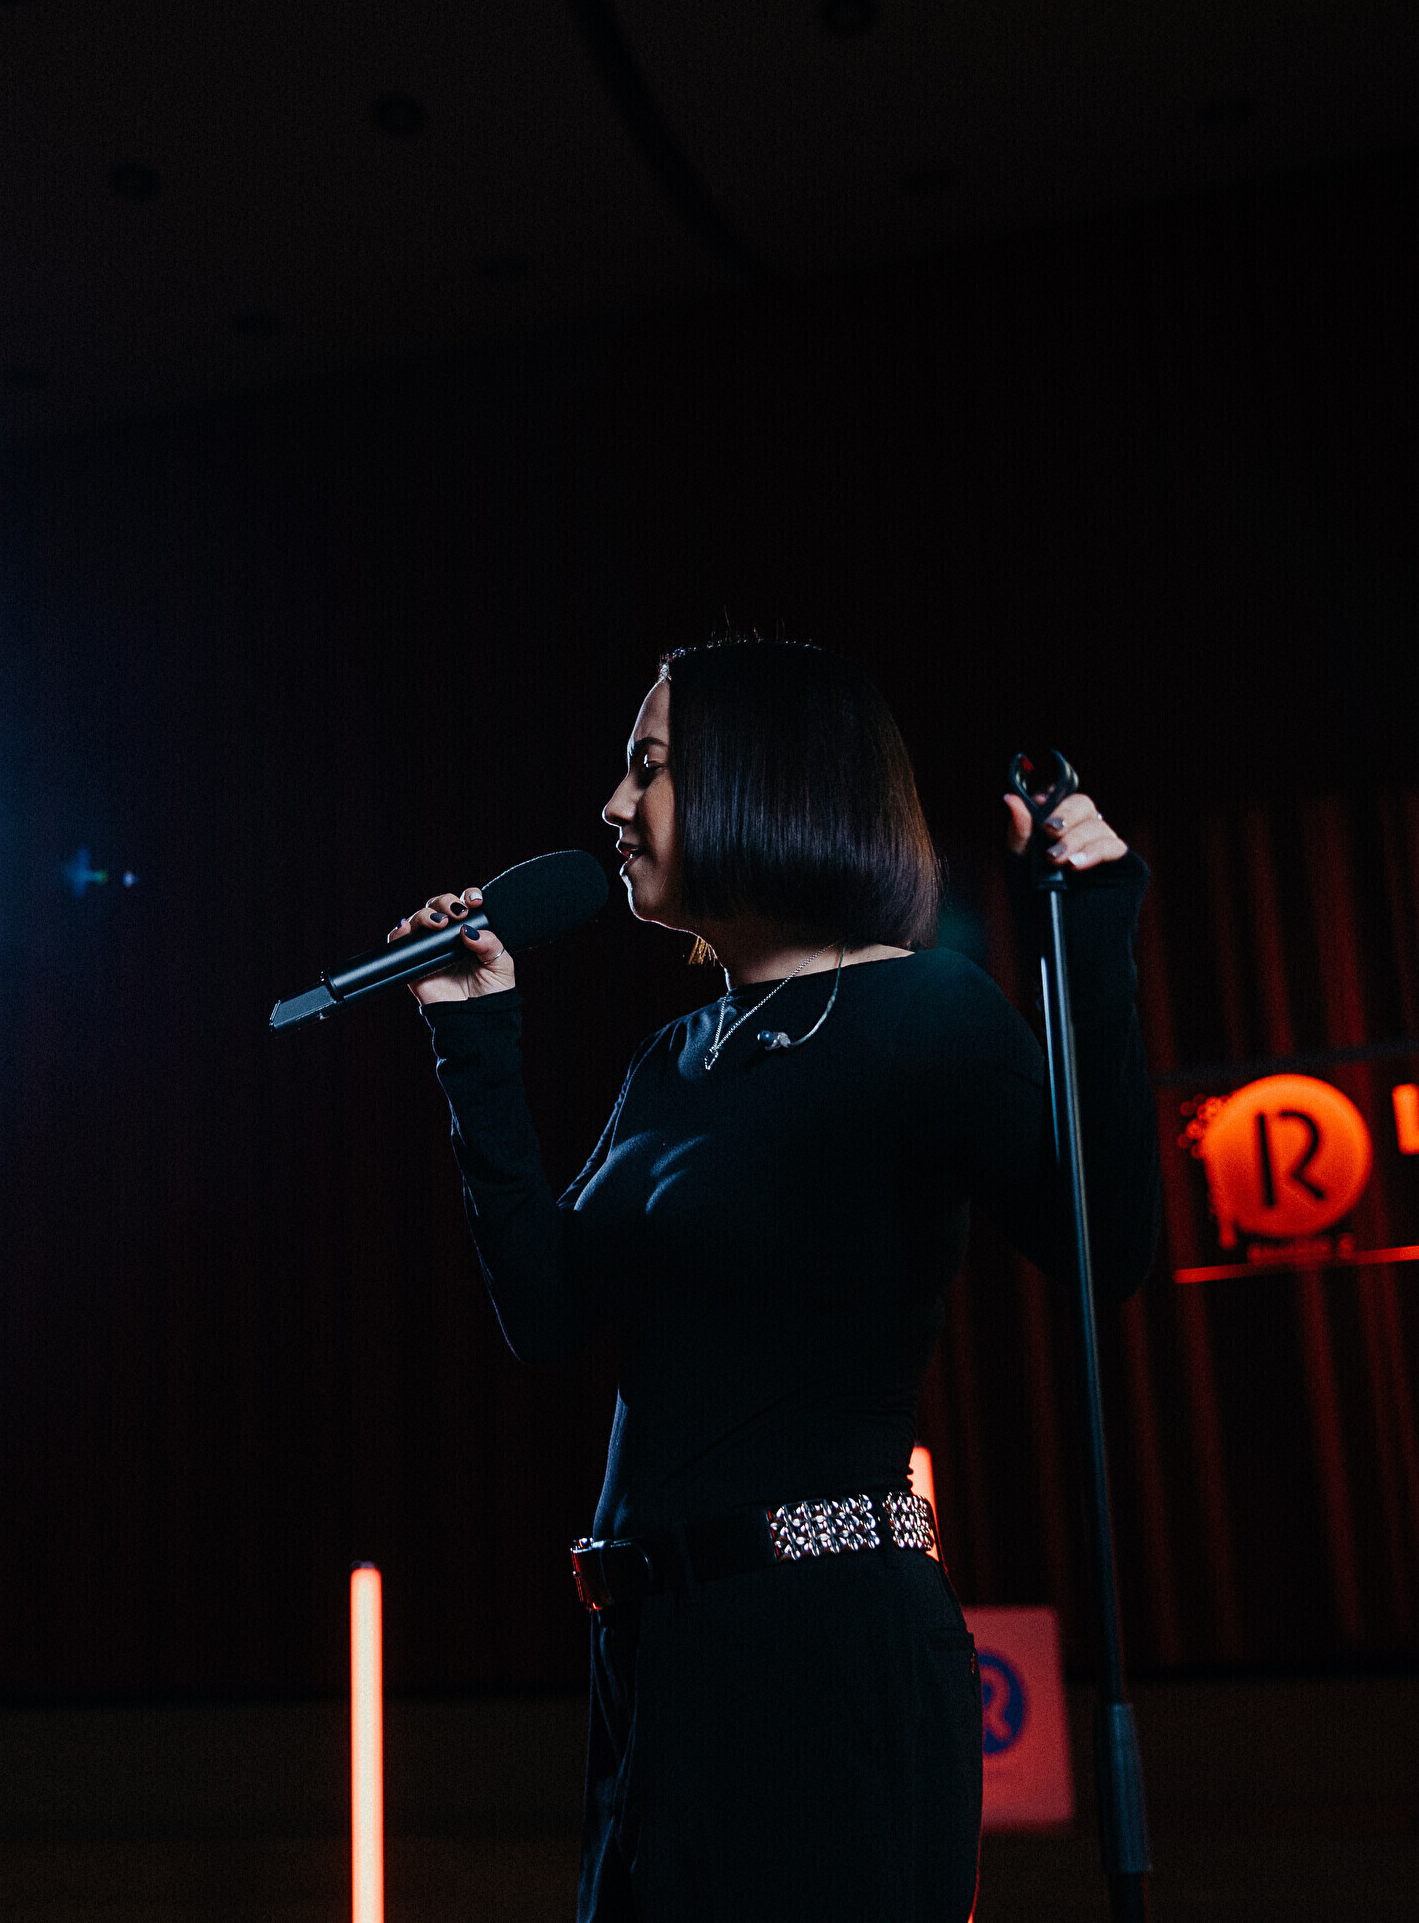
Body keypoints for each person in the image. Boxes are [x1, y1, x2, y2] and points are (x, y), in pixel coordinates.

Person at [389, 638, 1158, 1921]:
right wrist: (474, 1036)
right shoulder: (676, 1056)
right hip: (652, 1656)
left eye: (649, 766)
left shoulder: (928, 1012)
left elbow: (1104, 1244)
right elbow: (549, 1311)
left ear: (766, 780)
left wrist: (1094, 943)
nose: (614, 805)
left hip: (821, 1648)